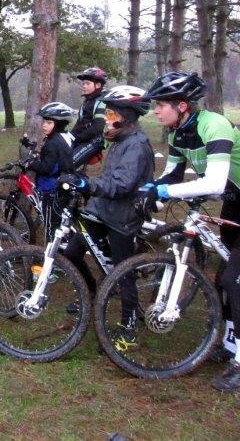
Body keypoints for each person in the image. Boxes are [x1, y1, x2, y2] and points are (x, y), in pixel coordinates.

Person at [135, 71, 240, 392]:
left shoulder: (214, 124)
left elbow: (215, 183)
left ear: (182, 105)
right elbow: (172, 174)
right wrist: (150, 189)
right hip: (235, 202)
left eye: (160, 105)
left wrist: (165, 195)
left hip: (232, 193)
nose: (155, 111)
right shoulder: (179, 133)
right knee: (225, 274)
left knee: (232, 278)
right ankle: (230, 343)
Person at [57, 86, 154, 347]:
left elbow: (122, 184)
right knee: (73, 252)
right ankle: (89, 292)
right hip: (102, 210)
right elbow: (110, 178)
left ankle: (129, 327)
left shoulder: (136, 145)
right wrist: (85, 183)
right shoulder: (120, 140)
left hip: (123, 216)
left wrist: (88, 186)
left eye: (111, 112)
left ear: (126, 116)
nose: (107, 118)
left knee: (122, 272)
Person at [27, 102, 76, 240]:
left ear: (58, 124)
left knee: (50, 227)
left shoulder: (52, 143)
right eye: (44, 121)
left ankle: (51, 256)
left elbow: (47, 168)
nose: (44, 125)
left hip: (51, 190)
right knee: (62, 222)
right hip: (64, 186)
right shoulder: (66, 137)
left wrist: (32, 164)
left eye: (49, 122)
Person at [70, 67, 107, 168]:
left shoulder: (101, 102)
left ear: (98, 85)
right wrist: (69, 137)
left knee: (69, 163)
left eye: (87, 83)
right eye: (83, 83)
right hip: (83, 139)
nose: (84, 86)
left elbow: (98, 127)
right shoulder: (87, 101)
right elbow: (79, 122)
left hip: (95, 140)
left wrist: (77, 138)